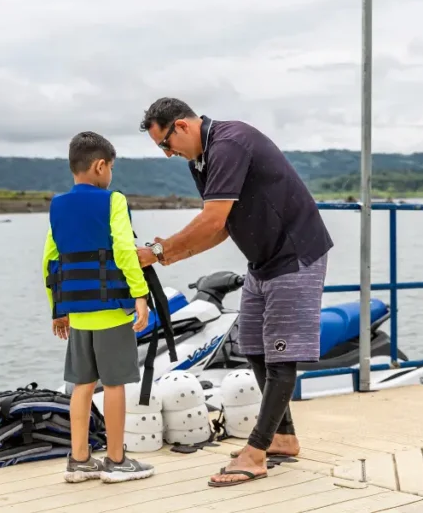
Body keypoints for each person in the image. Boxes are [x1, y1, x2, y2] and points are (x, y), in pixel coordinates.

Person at [136, 98, 334, 487]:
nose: (167, 153)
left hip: (295, 255)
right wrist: (168, 255)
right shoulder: (201, 160)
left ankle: (257, 453)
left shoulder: (229, 143)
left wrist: (159, 252)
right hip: (262, 261)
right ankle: (283, 437)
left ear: (182, 126)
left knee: (281, 356)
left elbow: (211, 219)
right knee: (254, 347)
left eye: (166, 144)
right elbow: (220, 227)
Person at [44, 131, 156, 484]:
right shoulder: (113, 200)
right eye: (111, 169)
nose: (112, 177)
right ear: (100, 166)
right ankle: (116, 459)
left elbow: (50, 260)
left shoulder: (57, 205)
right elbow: (123, 250)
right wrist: (140, 294)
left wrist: (57, 309)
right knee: (115, 385)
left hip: (76, 313)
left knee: (82, 384)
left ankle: (79, 461)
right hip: (110, 309)